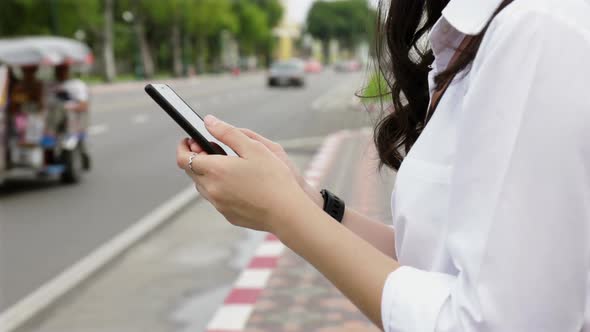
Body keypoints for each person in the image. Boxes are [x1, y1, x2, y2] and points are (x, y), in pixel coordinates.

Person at [176, 0, 590, 331]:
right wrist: (311, 202)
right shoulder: (487, 33)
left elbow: (491, 322)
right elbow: (435, 260)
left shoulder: (540, 27)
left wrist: (285, 213)